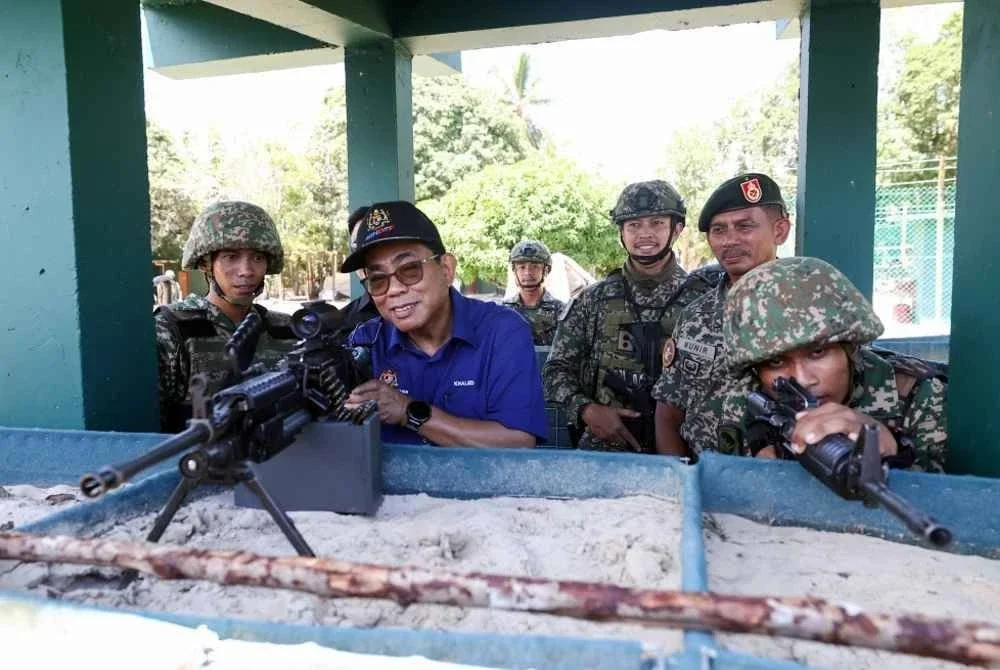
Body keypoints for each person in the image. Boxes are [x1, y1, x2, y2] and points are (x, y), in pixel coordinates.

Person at [342, 201, 547, 448]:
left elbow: (519, 440)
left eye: (409, 270)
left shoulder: (502, 331)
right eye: (377, 279)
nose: (394, 289)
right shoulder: (364, 344)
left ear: (446, 269)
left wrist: (407, 411)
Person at [719, 256, 947, 473]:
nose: (803, 379)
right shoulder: (748, 400)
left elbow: (942, 493)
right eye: (776, 361)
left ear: (850, 349)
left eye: (818, 352)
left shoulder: (920, 395)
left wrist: (893, 454)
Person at [543, 180, 718, 453]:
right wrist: (586, 409)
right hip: (607, 449)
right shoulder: (592, 300)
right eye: (634, 225)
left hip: (688, 450)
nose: (645, 234)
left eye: (657, 223)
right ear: (621, 233)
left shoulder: (705, 300)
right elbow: (556, 370)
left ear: (677, 229)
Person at [653, 173, 791, 457]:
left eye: (744, 226)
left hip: (782, 477)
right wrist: (679, 474)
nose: (729, 240)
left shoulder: (814, 312)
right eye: (719, 230)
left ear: (780, 231)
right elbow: (668, 412)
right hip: (703, 473)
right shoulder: (694, 317)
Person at [155, 201, 298, 433]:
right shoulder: (171, 331)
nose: (246, 271)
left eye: (257, 258)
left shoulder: (287, 330)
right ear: (206, 264)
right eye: (231, 257)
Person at [502, 240, 565, 346]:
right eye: (522, 267)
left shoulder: (562, 312)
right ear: (514, 271)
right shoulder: (502, 312)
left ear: (545, 270)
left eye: (535, 266)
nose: (528, 273)